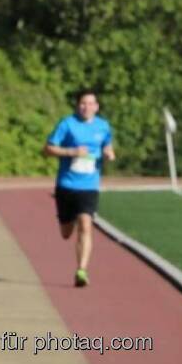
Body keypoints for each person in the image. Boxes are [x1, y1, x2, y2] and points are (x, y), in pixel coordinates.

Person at [43, 88, 115, 288]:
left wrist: (109, 152)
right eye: (83, 103)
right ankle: (69, 219)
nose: (87, 107)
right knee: (66, 233)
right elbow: (48, 149)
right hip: (66, 184)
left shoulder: (103, 126)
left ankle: (81, 270)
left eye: (91, 103)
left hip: (89, 185)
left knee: (86, 224)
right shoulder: (67, 124)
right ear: (78, 105)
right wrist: (71, 151)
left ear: (97, 107)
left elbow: (107, 144)